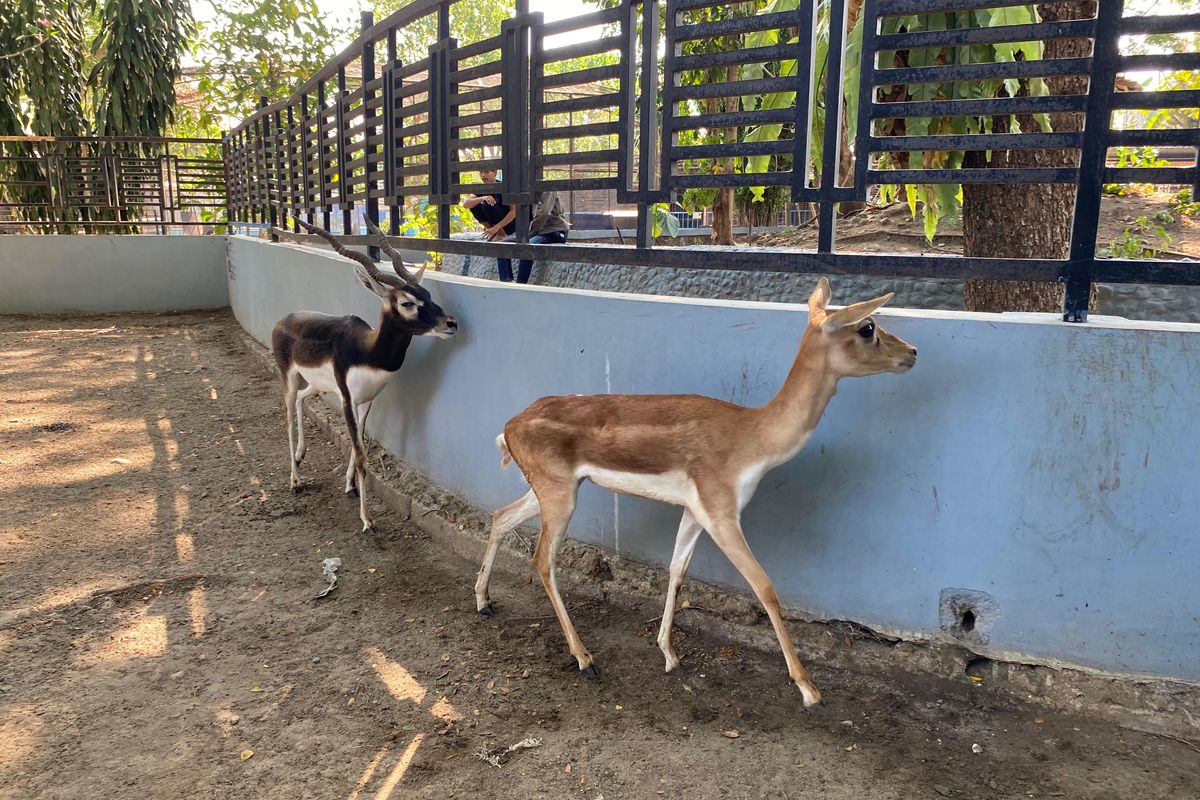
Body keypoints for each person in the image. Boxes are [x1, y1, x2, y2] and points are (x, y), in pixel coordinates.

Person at [486, 191, 569, 284]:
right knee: (503, 245)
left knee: (527, 247)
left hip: (554, 230)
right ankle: (506, 281)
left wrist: (529, 231)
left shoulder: (547, 191)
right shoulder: (528, 193)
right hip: (535, 232)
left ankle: (521, 284)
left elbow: (544, 213)